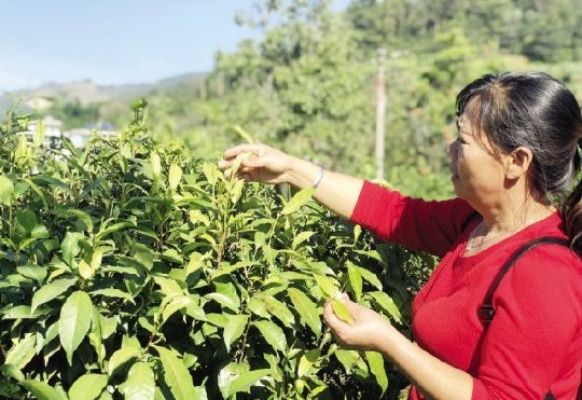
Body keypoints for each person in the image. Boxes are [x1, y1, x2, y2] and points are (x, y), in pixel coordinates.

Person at [218, 71, 582, 399]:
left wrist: (388, 341)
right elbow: (391, 212)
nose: (451, 149)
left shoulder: (546, 273)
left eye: (464, 141)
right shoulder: (476, 222)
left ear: (516, 161)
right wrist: (291, 170)